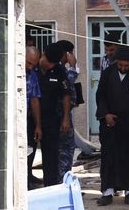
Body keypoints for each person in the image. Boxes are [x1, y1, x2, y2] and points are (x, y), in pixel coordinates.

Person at [96, 45, 129, 206]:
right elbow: (100, 95)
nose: (123, 68)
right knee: (108, 157)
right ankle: (107, 191)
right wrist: (105, 114)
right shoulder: (108, 73)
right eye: (120, 65)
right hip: (110, 123)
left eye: (126, 66)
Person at [38, 43, 72, 186]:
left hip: (51, 118)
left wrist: (65, 118)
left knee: (51, 156)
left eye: (53, 63)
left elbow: (66, 95)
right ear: (43, 54)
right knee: (27, 154)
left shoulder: (59, 70)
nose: (50, 66)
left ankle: (50, 187)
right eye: (48, 62)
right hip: (29, 119)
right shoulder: (31, 66)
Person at [56, 40, 79, 179]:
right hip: (61, 115)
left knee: (68, 148)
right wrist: (73, 67)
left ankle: (65, 180)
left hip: (65, 114)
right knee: (65, 150)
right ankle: (62, 181)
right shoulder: (60, 69)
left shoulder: (61, 68)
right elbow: (67, 86)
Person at [26, 46, 42, 190]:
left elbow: (34, 99)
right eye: (28, 63)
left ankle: (28, 176)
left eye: (34, 64)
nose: (30, 67)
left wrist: (38, 124)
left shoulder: (32, 75)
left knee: (30, 148)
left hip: (28, 119)